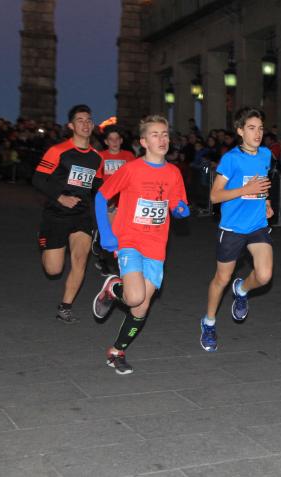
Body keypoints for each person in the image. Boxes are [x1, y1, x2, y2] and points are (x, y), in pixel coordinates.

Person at [91, 115, 189, 374]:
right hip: (129, 240)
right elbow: (101, 197)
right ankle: (115, 288)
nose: (162, 139)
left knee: (141, 306)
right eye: (155, 135)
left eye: (165, 134)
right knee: (135, 296)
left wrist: (180, 209)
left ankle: (116, 351)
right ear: (144, 142)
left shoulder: (173, 172)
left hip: (156, 245)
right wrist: (107, 234)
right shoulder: (131, 169)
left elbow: (176, 202)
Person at [197, 108, 274, 352]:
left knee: (264, 276)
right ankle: (209, 322)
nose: (257, 133)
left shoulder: (266, 154)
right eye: (251, 128)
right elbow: (214, 196)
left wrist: (267, 202)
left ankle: (242, 290)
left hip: (257, 225)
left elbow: (261, 184)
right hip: (232, 228)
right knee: (222, 278)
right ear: (240, 131)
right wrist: (245, 190)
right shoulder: (231, 159)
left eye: (260, 128)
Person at [32, 104, 104, 324]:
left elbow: (98, 185)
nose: (85, 124)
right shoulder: (58, 151)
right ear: (71, 126)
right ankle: (44, 238)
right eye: (80, 120)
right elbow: (38, 179)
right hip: (56, 213)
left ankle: (65, 307)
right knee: (53, 270)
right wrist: (60, 197)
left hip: (82, 215)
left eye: (88, 120)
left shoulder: (96, 158)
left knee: (80, 260)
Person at [95, 125, 136, 275]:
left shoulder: (129, 156)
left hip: (125, 200)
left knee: (124, 234)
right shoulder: (100, 156)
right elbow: (96, 181)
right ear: (106, 141)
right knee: (111, 234)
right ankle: (106, 260)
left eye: (117, 139)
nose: (114, 142)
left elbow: (134, 178)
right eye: (111, 139)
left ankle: (121, 264)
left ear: (121, 140)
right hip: (108, 200)